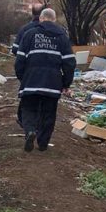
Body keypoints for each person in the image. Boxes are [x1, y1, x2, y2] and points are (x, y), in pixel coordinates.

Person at [15, 8, 76, 152]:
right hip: (52, 82)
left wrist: (23, 77)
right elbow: (69, 62)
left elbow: (20, 60)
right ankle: (43, 143)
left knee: (28, 108)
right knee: (49, 112)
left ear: (41, 19)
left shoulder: (29, 34)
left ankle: (30, 131)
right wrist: (66, 83)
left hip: (31, 79)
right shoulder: (62, 36)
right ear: (54, 20)